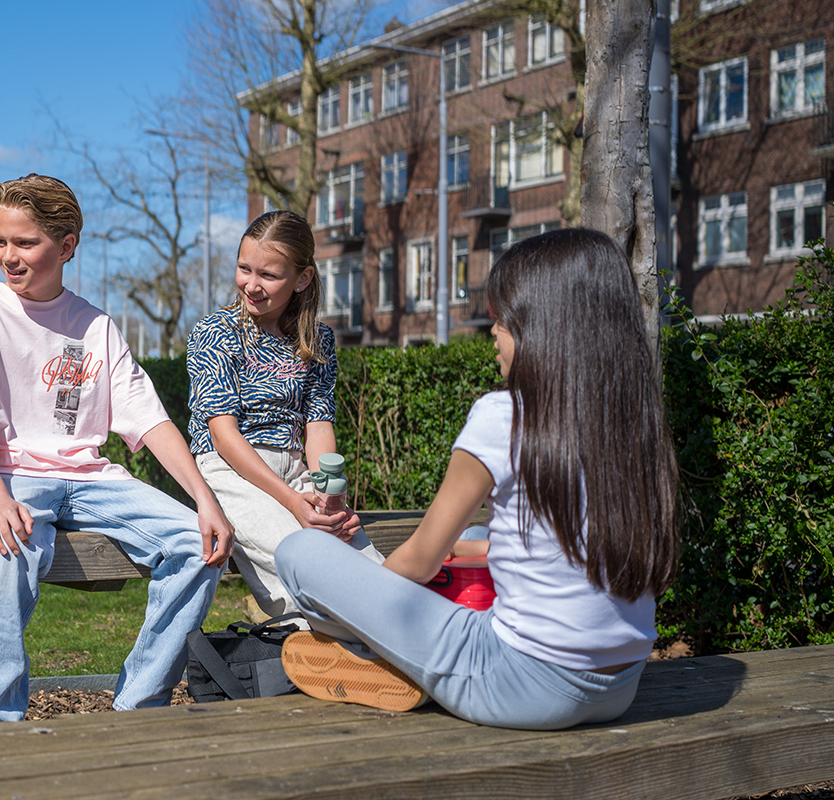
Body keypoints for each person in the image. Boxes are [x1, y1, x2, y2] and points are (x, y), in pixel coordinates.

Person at [275, 227, 679, 730]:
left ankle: (382, 654)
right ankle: (411, 650)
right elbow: (573, 543)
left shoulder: (503, 415)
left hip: (517, 684)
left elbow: (418, 561)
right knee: (474, 536)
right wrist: (465, 553)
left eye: (503, 319)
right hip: (620, 687)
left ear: (545, 328)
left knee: (299, 552)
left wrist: (371, 605)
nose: (493, 332)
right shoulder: (632, 420)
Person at [0, 173, 234, 722]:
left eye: (25, 243)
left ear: (67, 246)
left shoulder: (95, 326)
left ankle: (137, 707)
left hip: (89, 480)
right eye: (1, 241)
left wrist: (204, 500)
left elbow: (151, 420)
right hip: (5, 475)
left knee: (199, 545)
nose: (9, 256)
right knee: (10, 548)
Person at [186, 210, 385, 621]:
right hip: (231, 468)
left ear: (302, 279)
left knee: (373, 572)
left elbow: (319, 424)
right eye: (244, 269)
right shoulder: (215, 332)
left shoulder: (318, 339)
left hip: (298, 472)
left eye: (269, 275)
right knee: (305, 566)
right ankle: (326, 656)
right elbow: (224, 436)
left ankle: (381, 660)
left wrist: (328, 494)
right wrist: (294, 502)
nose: (252, 285)